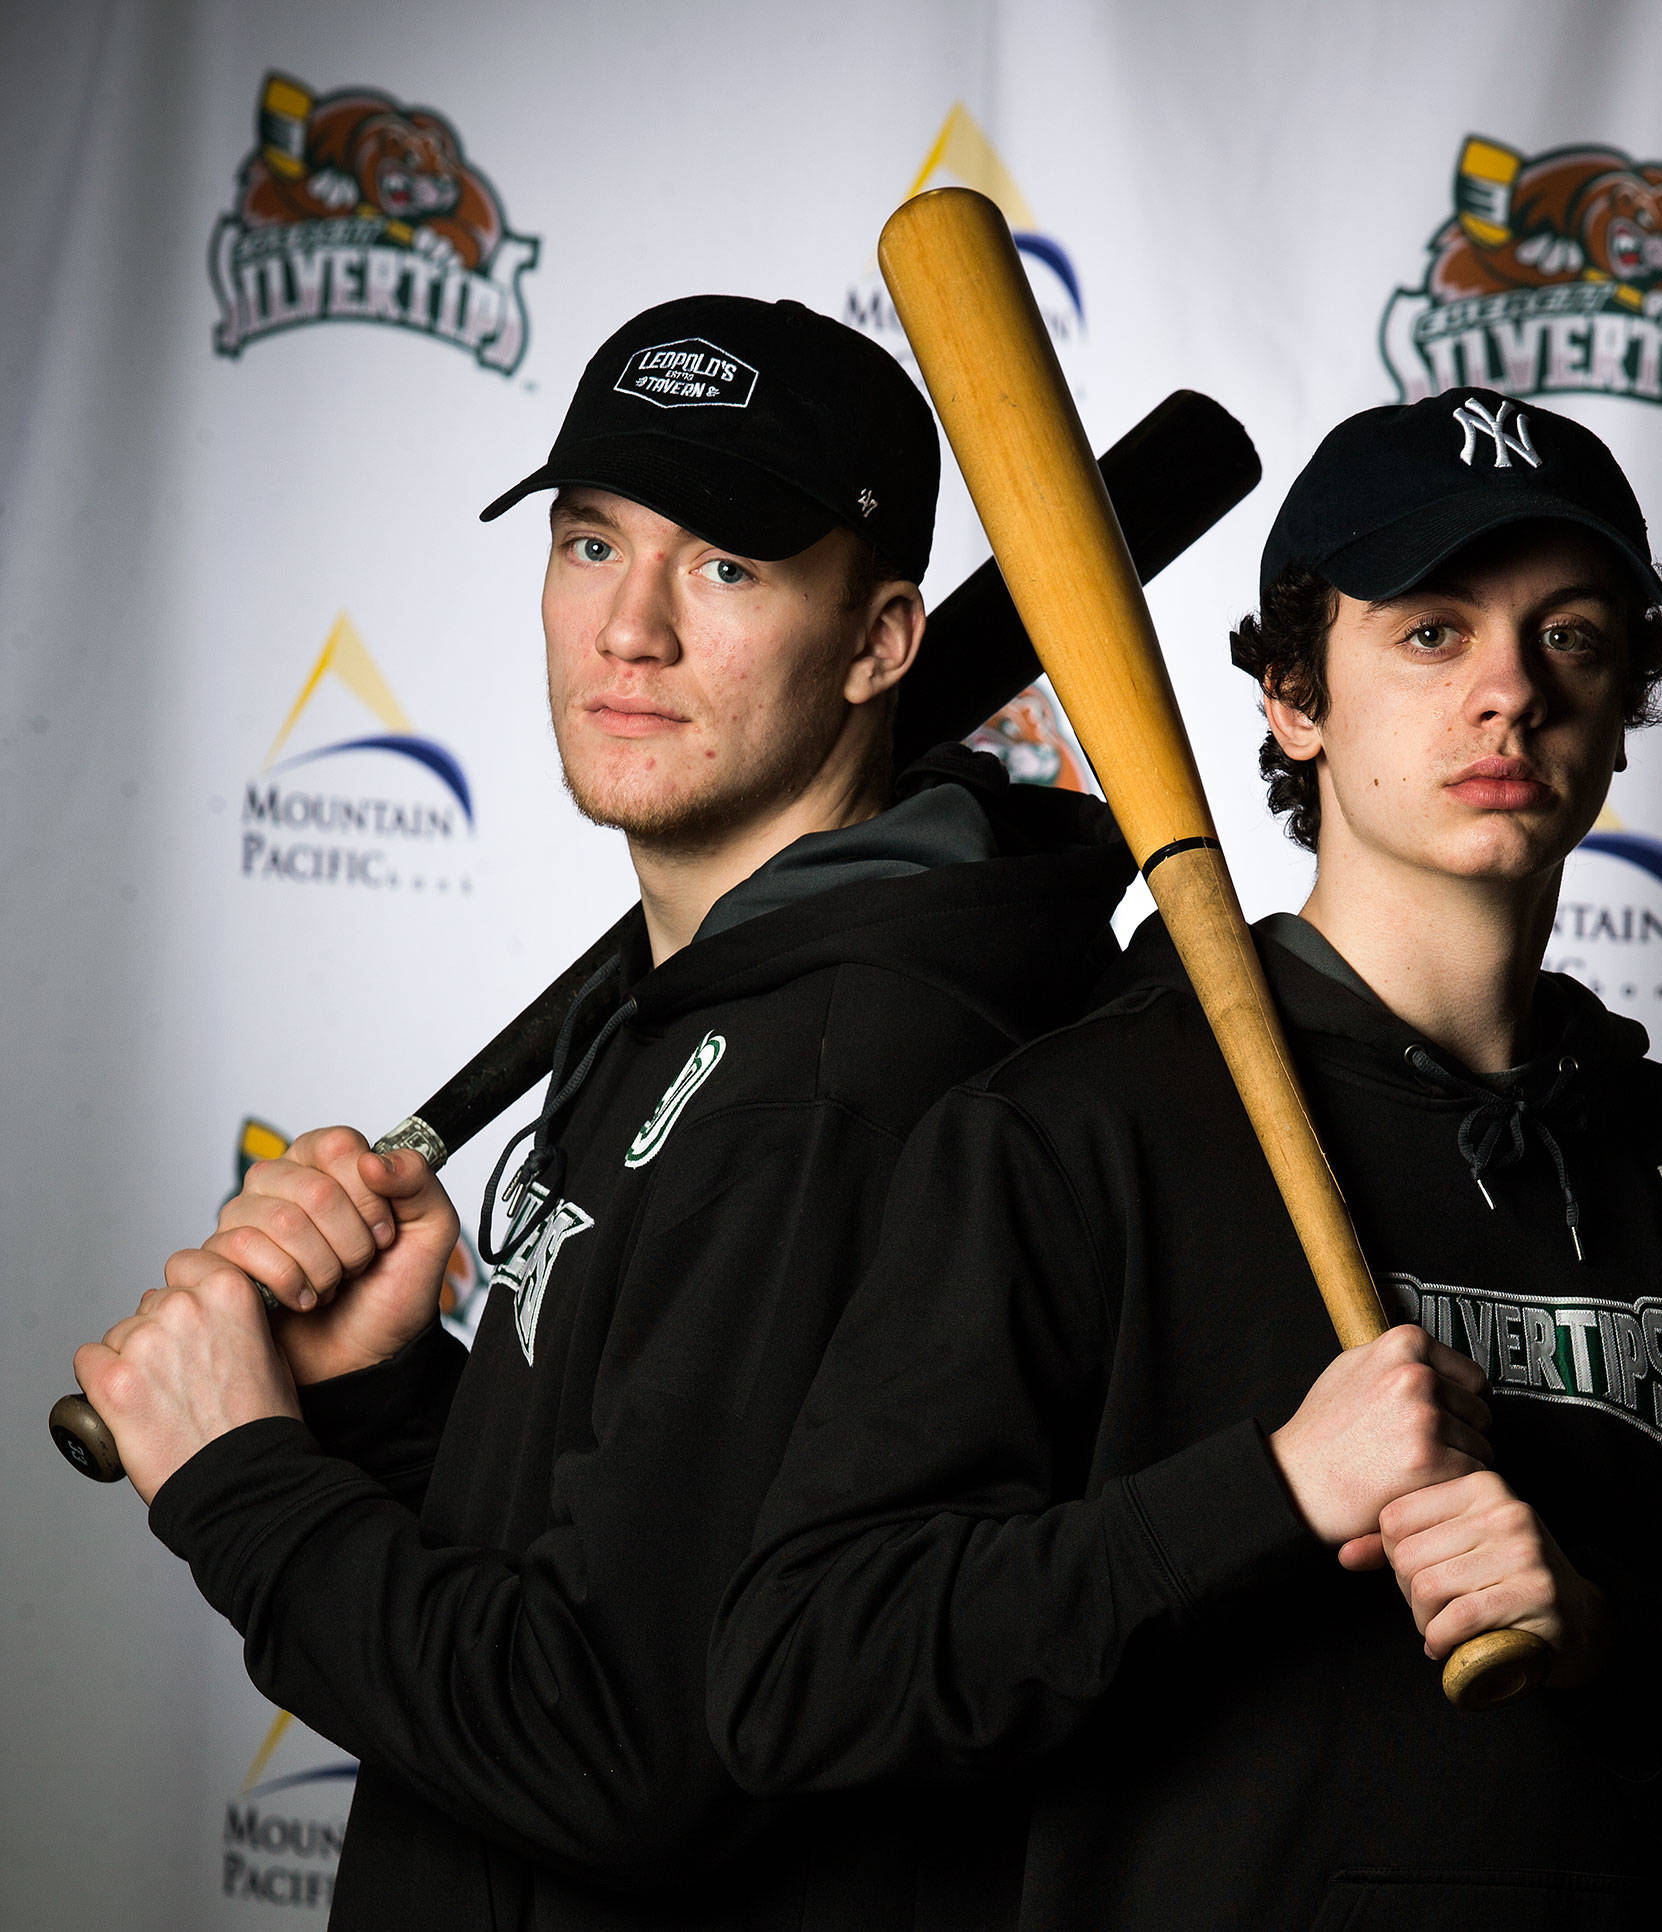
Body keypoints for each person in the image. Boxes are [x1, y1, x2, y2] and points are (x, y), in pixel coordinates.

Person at [707, 389, 1662, 1929]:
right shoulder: (1072, 1134)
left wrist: (1614, 1645)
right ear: (1297, 697)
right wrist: (1274, 1492)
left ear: (1624, 703)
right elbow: (805, 1673)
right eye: (1432, 631)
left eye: (1568, 635)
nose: (1510, 692)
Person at [74, 295, 1134, 1930]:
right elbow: (609, 1568)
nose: (628, 627)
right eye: (590, 544)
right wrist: (384, 1404)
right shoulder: (694, 997)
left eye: (726, 566)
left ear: (879, 642)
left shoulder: (845, 1080)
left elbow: (622, 1753)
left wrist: (243, 1485)